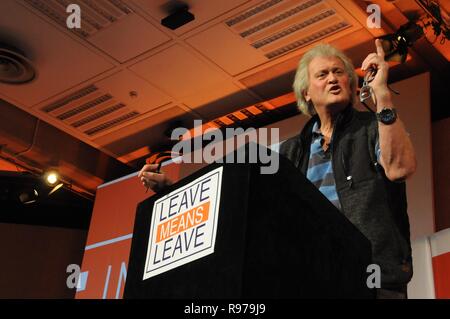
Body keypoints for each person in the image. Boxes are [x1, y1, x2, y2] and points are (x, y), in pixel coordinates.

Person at [139, 39, 417, 299]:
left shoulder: (372, 127)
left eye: (339, 72)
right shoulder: (289, 152)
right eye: (322, 74)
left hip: (371, 283)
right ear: (306, 92)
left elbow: (400, 168)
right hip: (311, 284)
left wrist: (382, 94)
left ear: (351, 82)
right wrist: (173, 192)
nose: (333, 78)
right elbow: (235, 202)